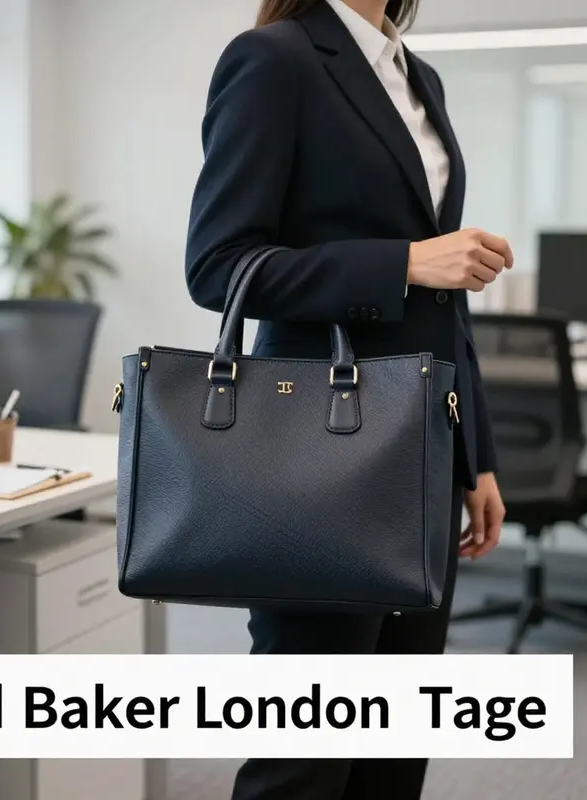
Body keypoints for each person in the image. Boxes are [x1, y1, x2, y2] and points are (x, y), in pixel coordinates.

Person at [185, 0, 510, 798]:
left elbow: (447, 306)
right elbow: (218, 264)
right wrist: (403, 263)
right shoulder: (276, 59)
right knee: (306, 758)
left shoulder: (417, 76)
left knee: (393, 753)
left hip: (422, 449)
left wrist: (476, 456)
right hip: (319, 456)